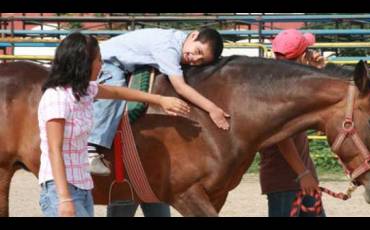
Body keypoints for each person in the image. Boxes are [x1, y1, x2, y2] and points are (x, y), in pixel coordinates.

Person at [37, 32, 190, 217]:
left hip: (83, 187)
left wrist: (160, 100)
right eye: (98, 60)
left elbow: (118, 93)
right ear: (83, 63)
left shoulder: (86, 90)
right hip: (61, 189)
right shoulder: (57, 97)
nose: (101, 64)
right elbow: (55, 150)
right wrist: (64, 198)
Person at [87, 27, 230, 176]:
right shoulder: (168, 47)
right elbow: (180, 87)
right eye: (198, 52)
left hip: (122, 64)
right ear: (193, 35)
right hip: (107, 61)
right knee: (114, 89)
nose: (194, 60)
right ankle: (89, 148)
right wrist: (212, 108)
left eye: (201, 61)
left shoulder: (182, 41)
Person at [259, 29, 326, 217]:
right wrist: (302, 174)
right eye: (309, 51)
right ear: (303, 56)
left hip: (300, 177)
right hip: (287, 179)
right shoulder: (279, 90)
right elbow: (282, 137)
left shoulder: (285, 83)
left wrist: (317, 71)